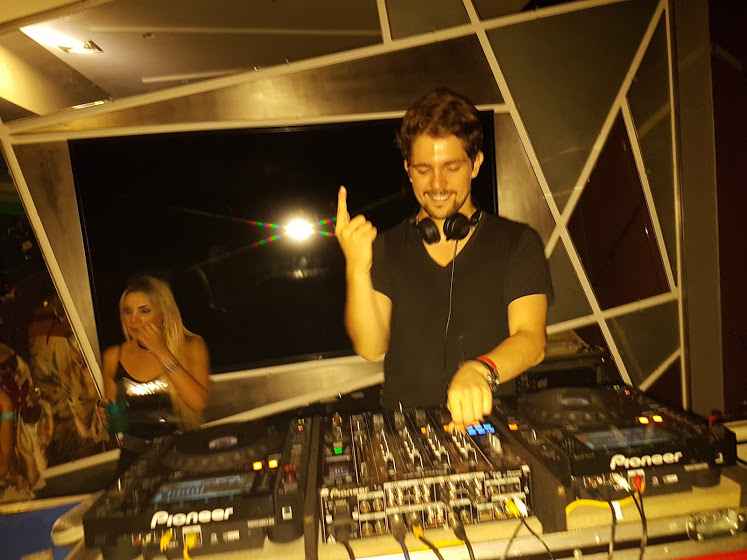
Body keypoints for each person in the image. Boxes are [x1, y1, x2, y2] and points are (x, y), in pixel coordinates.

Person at [336, 88, 553, 428]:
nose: (437, 184)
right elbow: (371, 347)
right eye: (423, 169)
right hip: (404, 428)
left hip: (490, 425)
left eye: (451, 167)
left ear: (475, 164)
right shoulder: (386, 247)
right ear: (408, 169)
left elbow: (531, 339)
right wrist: (356, 269)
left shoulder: (517, 243)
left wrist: (482, 370)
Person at [101, 276, 210, 471]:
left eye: (144, 311)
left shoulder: (191, 346)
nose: (134, 320)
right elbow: (115, 426)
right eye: (128, 311)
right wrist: (104, 416)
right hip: (134, 458)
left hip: (183, 452)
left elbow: (197, 402)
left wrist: (162, 352)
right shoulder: (114, 356)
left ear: (163, 314)